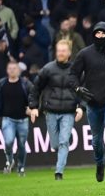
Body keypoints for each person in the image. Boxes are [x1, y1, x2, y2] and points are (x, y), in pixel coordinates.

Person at [69, 22, 105, 182]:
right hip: (92, 102)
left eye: (103, 33)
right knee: (96, 140)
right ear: (94, 35)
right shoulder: (84, 54)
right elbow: (72, 74)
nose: (100, 36)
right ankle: (100, 162)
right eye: (98, 33)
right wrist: (77, 89)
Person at [28, 40, 83, 180]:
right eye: (58, 50)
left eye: (63, 50)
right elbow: (36, 88)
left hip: (68, 112)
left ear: (69, 53)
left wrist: (81, 107)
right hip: (51, 111)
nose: (60, 53)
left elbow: (83, 90)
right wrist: (33, 107)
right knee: (55, 144)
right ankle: (60, 157)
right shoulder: (47, 69)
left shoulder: (75, 71)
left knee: (64, 141)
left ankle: (59, 172)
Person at [0, 61, 33, 177]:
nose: (12, 70)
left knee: (22, 144)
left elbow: (33, 95)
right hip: (8, 119)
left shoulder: (25, 83)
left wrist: (32, 108)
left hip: (23, 120)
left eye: (15, 68)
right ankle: (10, 160)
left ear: (18, 70)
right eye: (10, 68)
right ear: (7, 70)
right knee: (8, 142)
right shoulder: (2, 83)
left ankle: (21, 167)